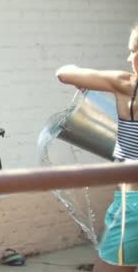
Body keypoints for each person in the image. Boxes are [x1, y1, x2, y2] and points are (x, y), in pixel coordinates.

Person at [56, 23, 138, 271]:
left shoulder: (127, 85)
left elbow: (63, 73)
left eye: (132, 51)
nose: (128, 58)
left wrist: (87, 77)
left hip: (132, 207)